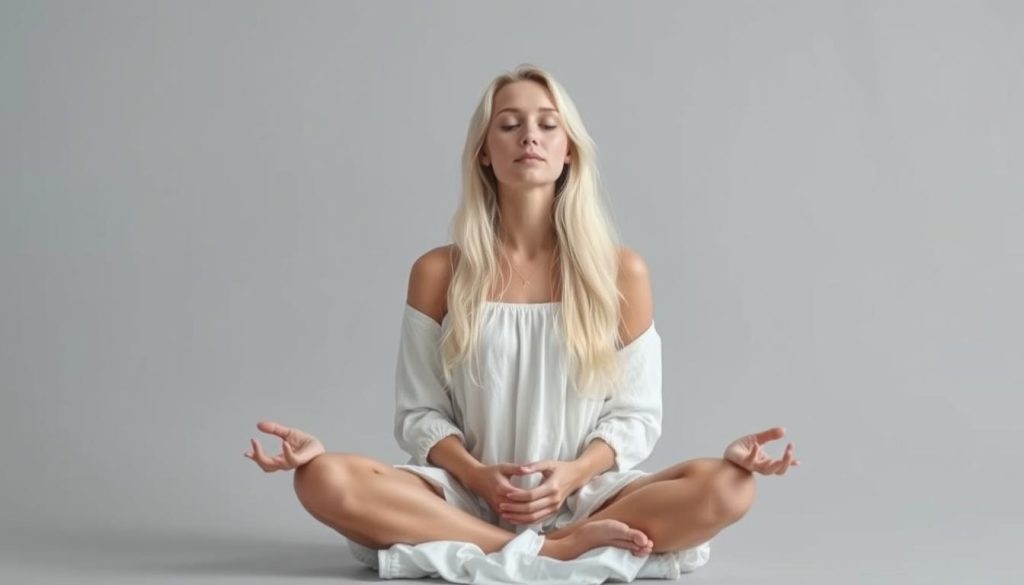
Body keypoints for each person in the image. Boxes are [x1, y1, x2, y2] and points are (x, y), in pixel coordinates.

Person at [244, 64, 799, 571]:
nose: (529, 136)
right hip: (463, 497)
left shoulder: (620, 271)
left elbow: (636, 414)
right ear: (484, 151)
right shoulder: (439, 272)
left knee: (729, 488)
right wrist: (477, 475)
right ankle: (558, 550)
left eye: (547, 125)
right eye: (508, 124)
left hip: (587, 497)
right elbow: (419, 412)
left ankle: (559, 533)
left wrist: (572, 476)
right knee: (322, 477)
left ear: (570, 151)